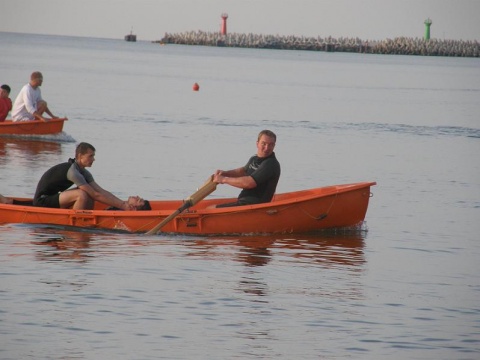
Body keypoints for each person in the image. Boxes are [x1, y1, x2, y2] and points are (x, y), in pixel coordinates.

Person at [32, 142, 140, 210]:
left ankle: (87, 220)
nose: (93, 159)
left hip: (55, 197)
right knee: (82, 194)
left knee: (87, 192)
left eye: (93, 156)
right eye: (90, 156)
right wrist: (122, 206)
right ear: (80, 156)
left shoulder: (83, 172)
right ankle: (76, 224)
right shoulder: (73, 172)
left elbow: (100, 191)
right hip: (42, 201)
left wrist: (123, 203)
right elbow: (95, 195)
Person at [212, 129, 281, 207]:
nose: (267, 148)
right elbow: (243, 171)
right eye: (263, 144)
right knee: (209, 207)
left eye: (270, 144)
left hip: (255, 206)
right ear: (257, 144)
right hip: (244, 202)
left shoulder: (270, 164)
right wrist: (225, 173)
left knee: (211, 209)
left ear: (274, 146)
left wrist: (223, 179)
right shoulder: (254, 159)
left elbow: (249, 183)